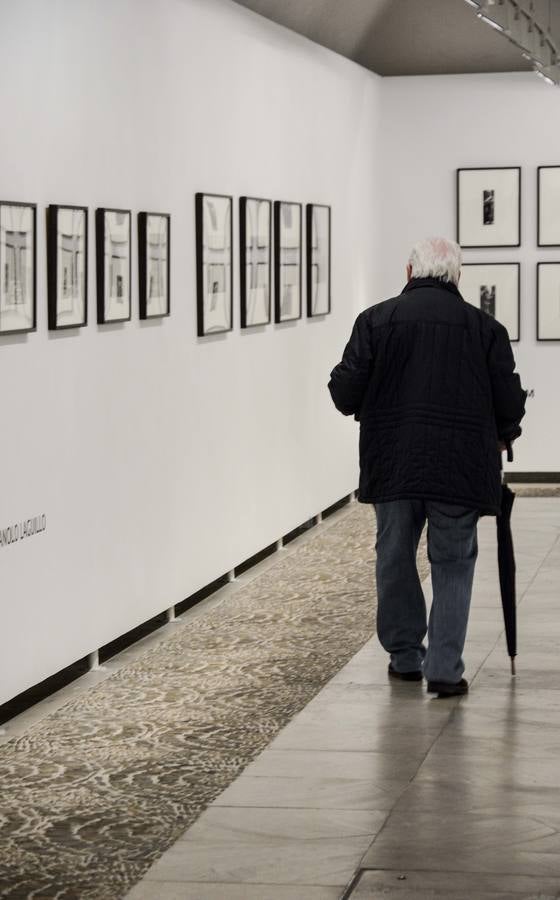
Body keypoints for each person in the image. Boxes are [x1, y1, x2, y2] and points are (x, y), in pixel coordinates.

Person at [328, 237, 526, 697]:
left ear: (409, 271)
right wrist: (505, 432)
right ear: (458, 276)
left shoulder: (376, 321)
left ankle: (404, 656)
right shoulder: (484, 328)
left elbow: (344, 394)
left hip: (393, 463)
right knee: (454, 563)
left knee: (394, 557)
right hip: (460, 468)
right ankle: (444, 668)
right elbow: (510, 402)